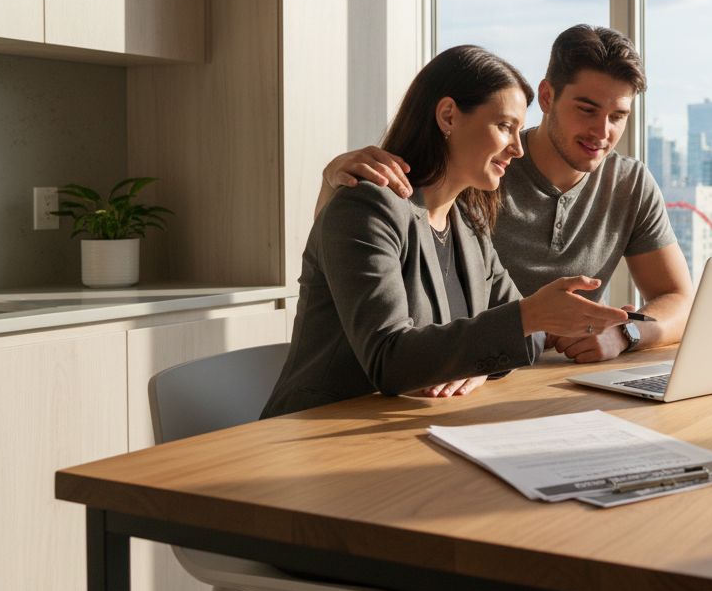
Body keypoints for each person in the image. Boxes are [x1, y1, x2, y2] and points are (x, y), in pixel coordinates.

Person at [263, 44, 629, 419]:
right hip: (316, 430)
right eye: (505, 127)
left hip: (409, 427)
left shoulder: (469, 221)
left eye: (520, 130)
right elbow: (389, 360)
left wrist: (478, 365)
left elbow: (531, 338)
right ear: (449, 116)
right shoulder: (367, 208)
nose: (517, 149)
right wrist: (526, 317)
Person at [321, 25, 693, 364]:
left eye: (618, 116)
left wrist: (624, 332)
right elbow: (355, 270)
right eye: (586, 109)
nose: (602, 130)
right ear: (547, 97)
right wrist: (332, 182)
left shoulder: (626, 183)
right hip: (412, 387)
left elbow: (680, 299)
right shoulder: (478, 176)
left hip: (505, 379)